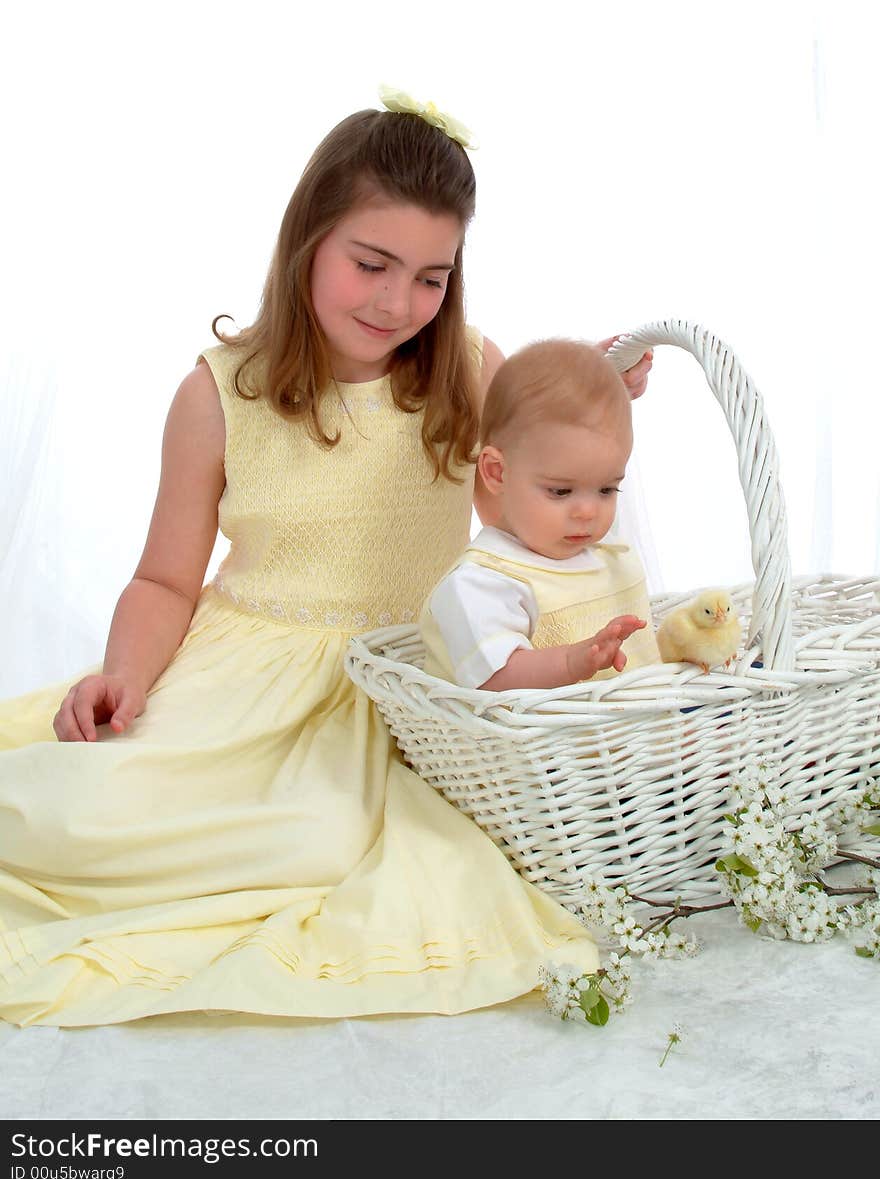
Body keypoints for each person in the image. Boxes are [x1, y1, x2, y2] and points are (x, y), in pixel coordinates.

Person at [0, 89, 652, 1028]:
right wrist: (124, 676)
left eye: (431, 277)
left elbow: (530, 497)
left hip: (407, 673)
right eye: (370, 264)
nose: (397, 302)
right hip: (250, 678)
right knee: (82, 816)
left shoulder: (468, 369)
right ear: (308, 241)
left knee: (327, 836)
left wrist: (588, 396)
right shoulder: (219, 394)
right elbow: (165, 578)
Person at [420, 338, 661, 691]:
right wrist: (571, 662)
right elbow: (494, 677)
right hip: (537, 746)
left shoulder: (606, 556)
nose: (588, 512)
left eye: (607, 489)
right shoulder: (484, 582)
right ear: (497, 473)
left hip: (638, 740)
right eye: (560, 491)